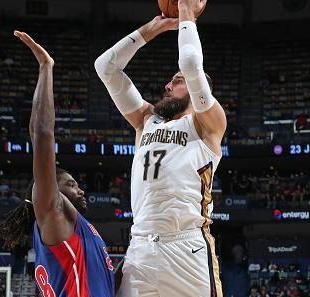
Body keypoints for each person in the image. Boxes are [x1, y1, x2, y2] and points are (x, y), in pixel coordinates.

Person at [94, 0, 226, 296]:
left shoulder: (208, 125)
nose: (168, 85)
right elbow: (105, 67)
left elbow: (191, 65)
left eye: (177, 82)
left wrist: (186, 13)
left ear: (196, 90)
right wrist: (149, 30)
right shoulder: (146, 121)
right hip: (140, 249)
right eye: (170, 81)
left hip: (187, 250)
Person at [0, 31, 114, 296]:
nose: (81, 189)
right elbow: (41, 134)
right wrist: (46, 68)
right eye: (71, 184)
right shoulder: (53, 215)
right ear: (53, 191)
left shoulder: (79, 231)